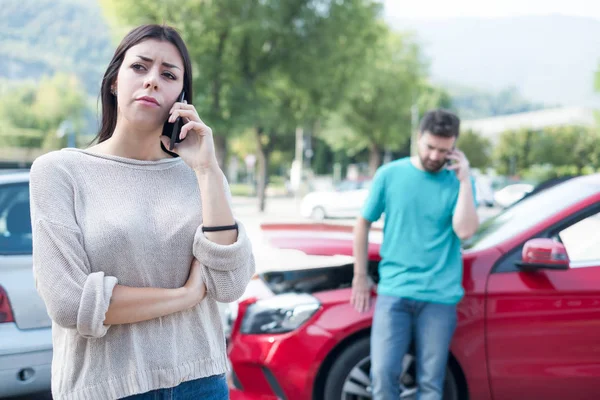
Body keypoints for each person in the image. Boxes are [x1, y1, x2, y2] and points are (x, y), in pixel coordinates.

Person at [29, 24, 255, 400]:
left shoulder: (202, 176)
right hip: (106, 388)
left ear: (181, 96)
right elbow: (69, 302)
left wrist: (206, 170)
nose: (152, 81)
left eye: (168, 75)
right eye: (140, 67)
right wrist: (184, 296)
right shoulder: (59, 171)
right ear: (114, 81)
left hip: (202, 382)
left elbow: (229, 285)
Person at [351, 109, 479, 400]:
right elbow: (362, 223)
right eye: (430, 147)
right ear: (418, 138)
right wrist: (360, 276)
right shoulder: (390, 175)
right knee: (382, 375)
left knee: (431, 383)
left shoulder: (459, 182)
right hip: (394, 291)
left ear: (455, 147)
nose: (435, 155)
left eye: (444, 150)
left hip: (439, 297)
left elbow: (466, 231)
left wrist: (463, 181)